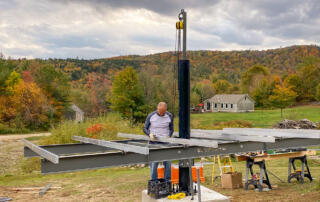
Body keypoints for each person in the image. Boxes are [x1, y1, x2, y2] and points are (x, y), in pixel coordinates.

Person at [143, 102, 174, 181]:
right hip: (154, 142)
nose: (161, 114)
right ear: (157, 108)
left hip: (165, 142)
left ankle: (167, 180)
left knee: (168, 162)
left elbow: (171, 129)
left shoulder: (169, 116)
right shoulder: (151, 116)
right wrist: (149, 134)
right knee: (154, 162)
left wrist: (169, 136)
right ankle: (154, 181)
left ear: (166, 110)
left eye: (163, 112)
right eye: (160, 112)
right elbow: (145, 128)